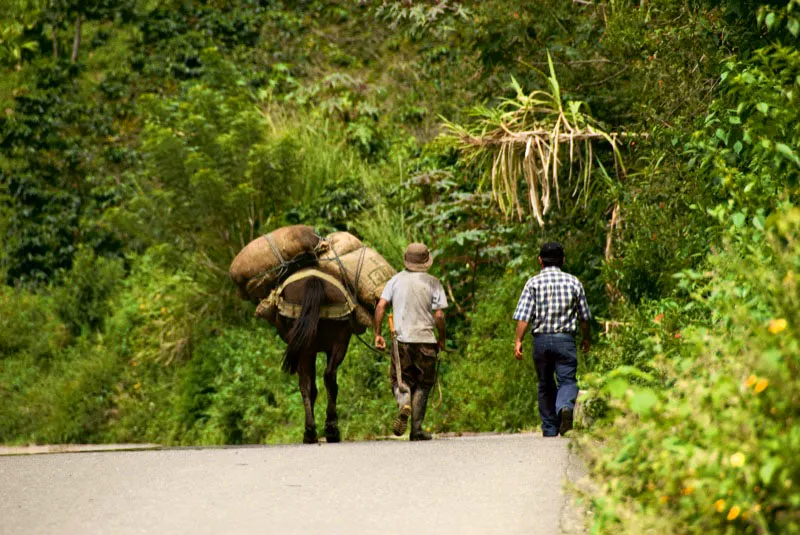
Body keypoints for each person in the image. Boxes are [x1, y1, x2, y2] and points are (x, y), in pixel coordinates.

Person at [513, 242, 591, 437]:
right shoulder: (574, 282)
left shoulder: (533, 283)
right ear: (563, 260)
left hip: (541, 340)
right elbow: (584, 317)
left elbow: (524, 316)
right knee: (567, 381)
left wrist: (518, 340)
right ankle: (564, 407)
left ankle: (549, 428)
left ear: (540, 261)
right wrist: (586, 338)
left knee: (545, 383)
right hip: (565, 340)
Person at [374, 243, 447, 441]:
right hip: (426, 341)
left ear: (406, 259)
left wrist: (378, 333)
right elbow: (439, 315)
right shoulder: (434, 283)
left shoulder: (395, 281)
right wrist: (441, 338)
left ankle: (403, 399)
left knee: (400, 379)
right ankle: (416, 430)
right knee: (423, 384)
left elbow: (381, 307)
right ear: (426, 262)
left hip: (402, 341)